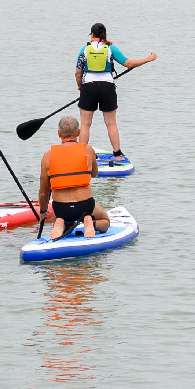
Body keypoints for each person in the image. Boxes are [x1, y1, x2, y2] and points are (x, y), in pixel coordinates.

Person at [71, 22, 157, 161]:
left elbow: (77, 73)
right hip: (107, 88)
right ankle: (117, 155)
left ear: (92, 35)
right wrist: (147, 59)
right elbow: (128, 63)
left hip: (89, 87)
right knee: (111, 123)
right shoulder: (111, 49)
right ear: (104, 35)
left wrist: (81, 87)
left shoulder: (84, 50)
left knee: (85, 124)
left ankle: (82, 154)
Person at [35, 115, 111, 241]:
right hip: (85, 206)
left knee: (63, 218)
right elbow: (94, 174)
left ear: (59, 134)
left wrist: (43, 212)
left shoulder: (47, 156)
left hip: (61, 208)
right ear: (79, 132)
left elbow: (44, 192)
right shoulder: (88, 150)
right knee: (105, 221)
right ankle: (90, 221)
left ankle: (61, 222)